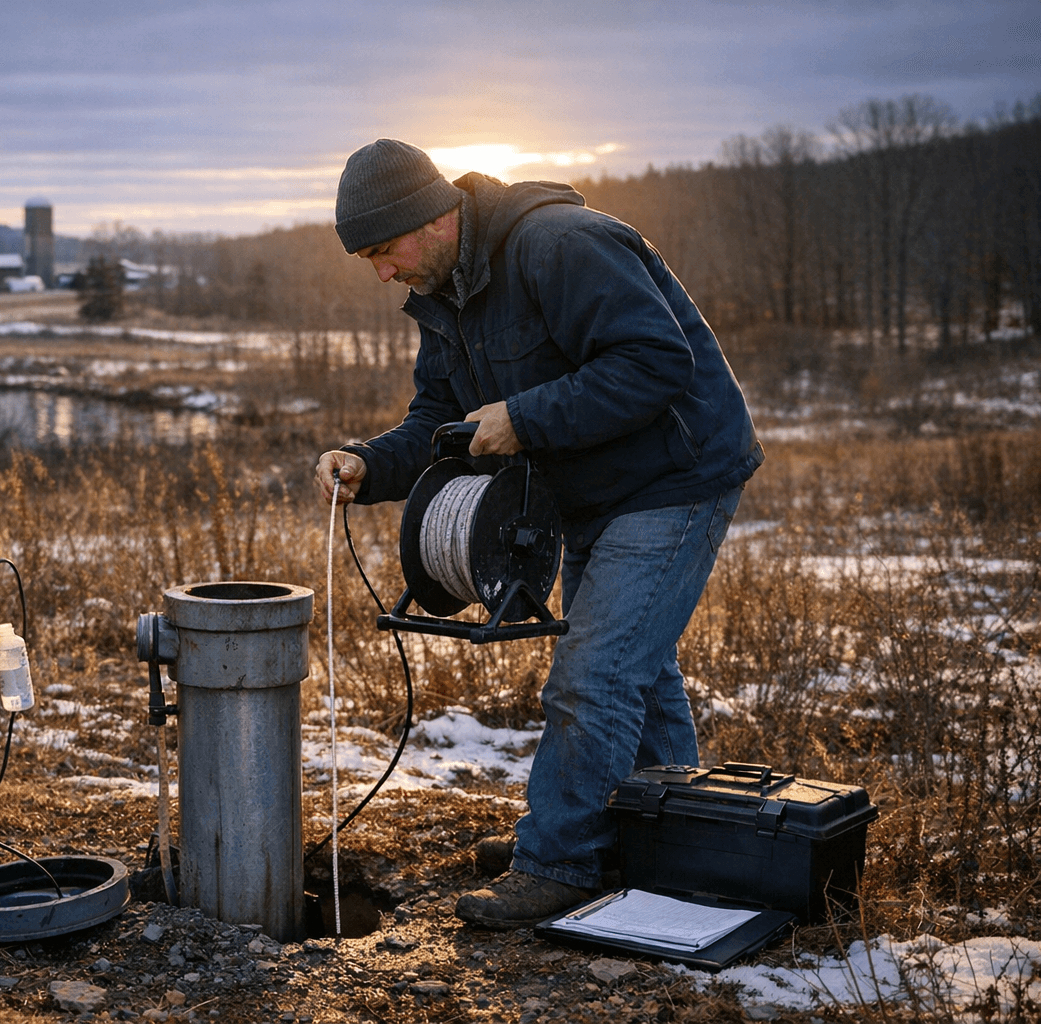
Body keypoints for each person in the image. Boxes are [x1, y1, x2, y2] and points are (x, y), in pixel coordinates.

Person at [315, 140, 765, 928]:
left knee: (595, 673)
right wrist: (365, 464)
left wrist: (524, 418)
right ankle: (660, 836)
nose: (382, 273)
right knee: (639, 670)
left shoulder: (559, 244)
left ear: (430, 216)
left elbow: (657, 362)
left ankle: (558, 860)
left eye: (384, 251)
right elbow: (439, 422)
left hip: (674, 478)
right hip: (589, 495)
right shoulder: (445, 293)